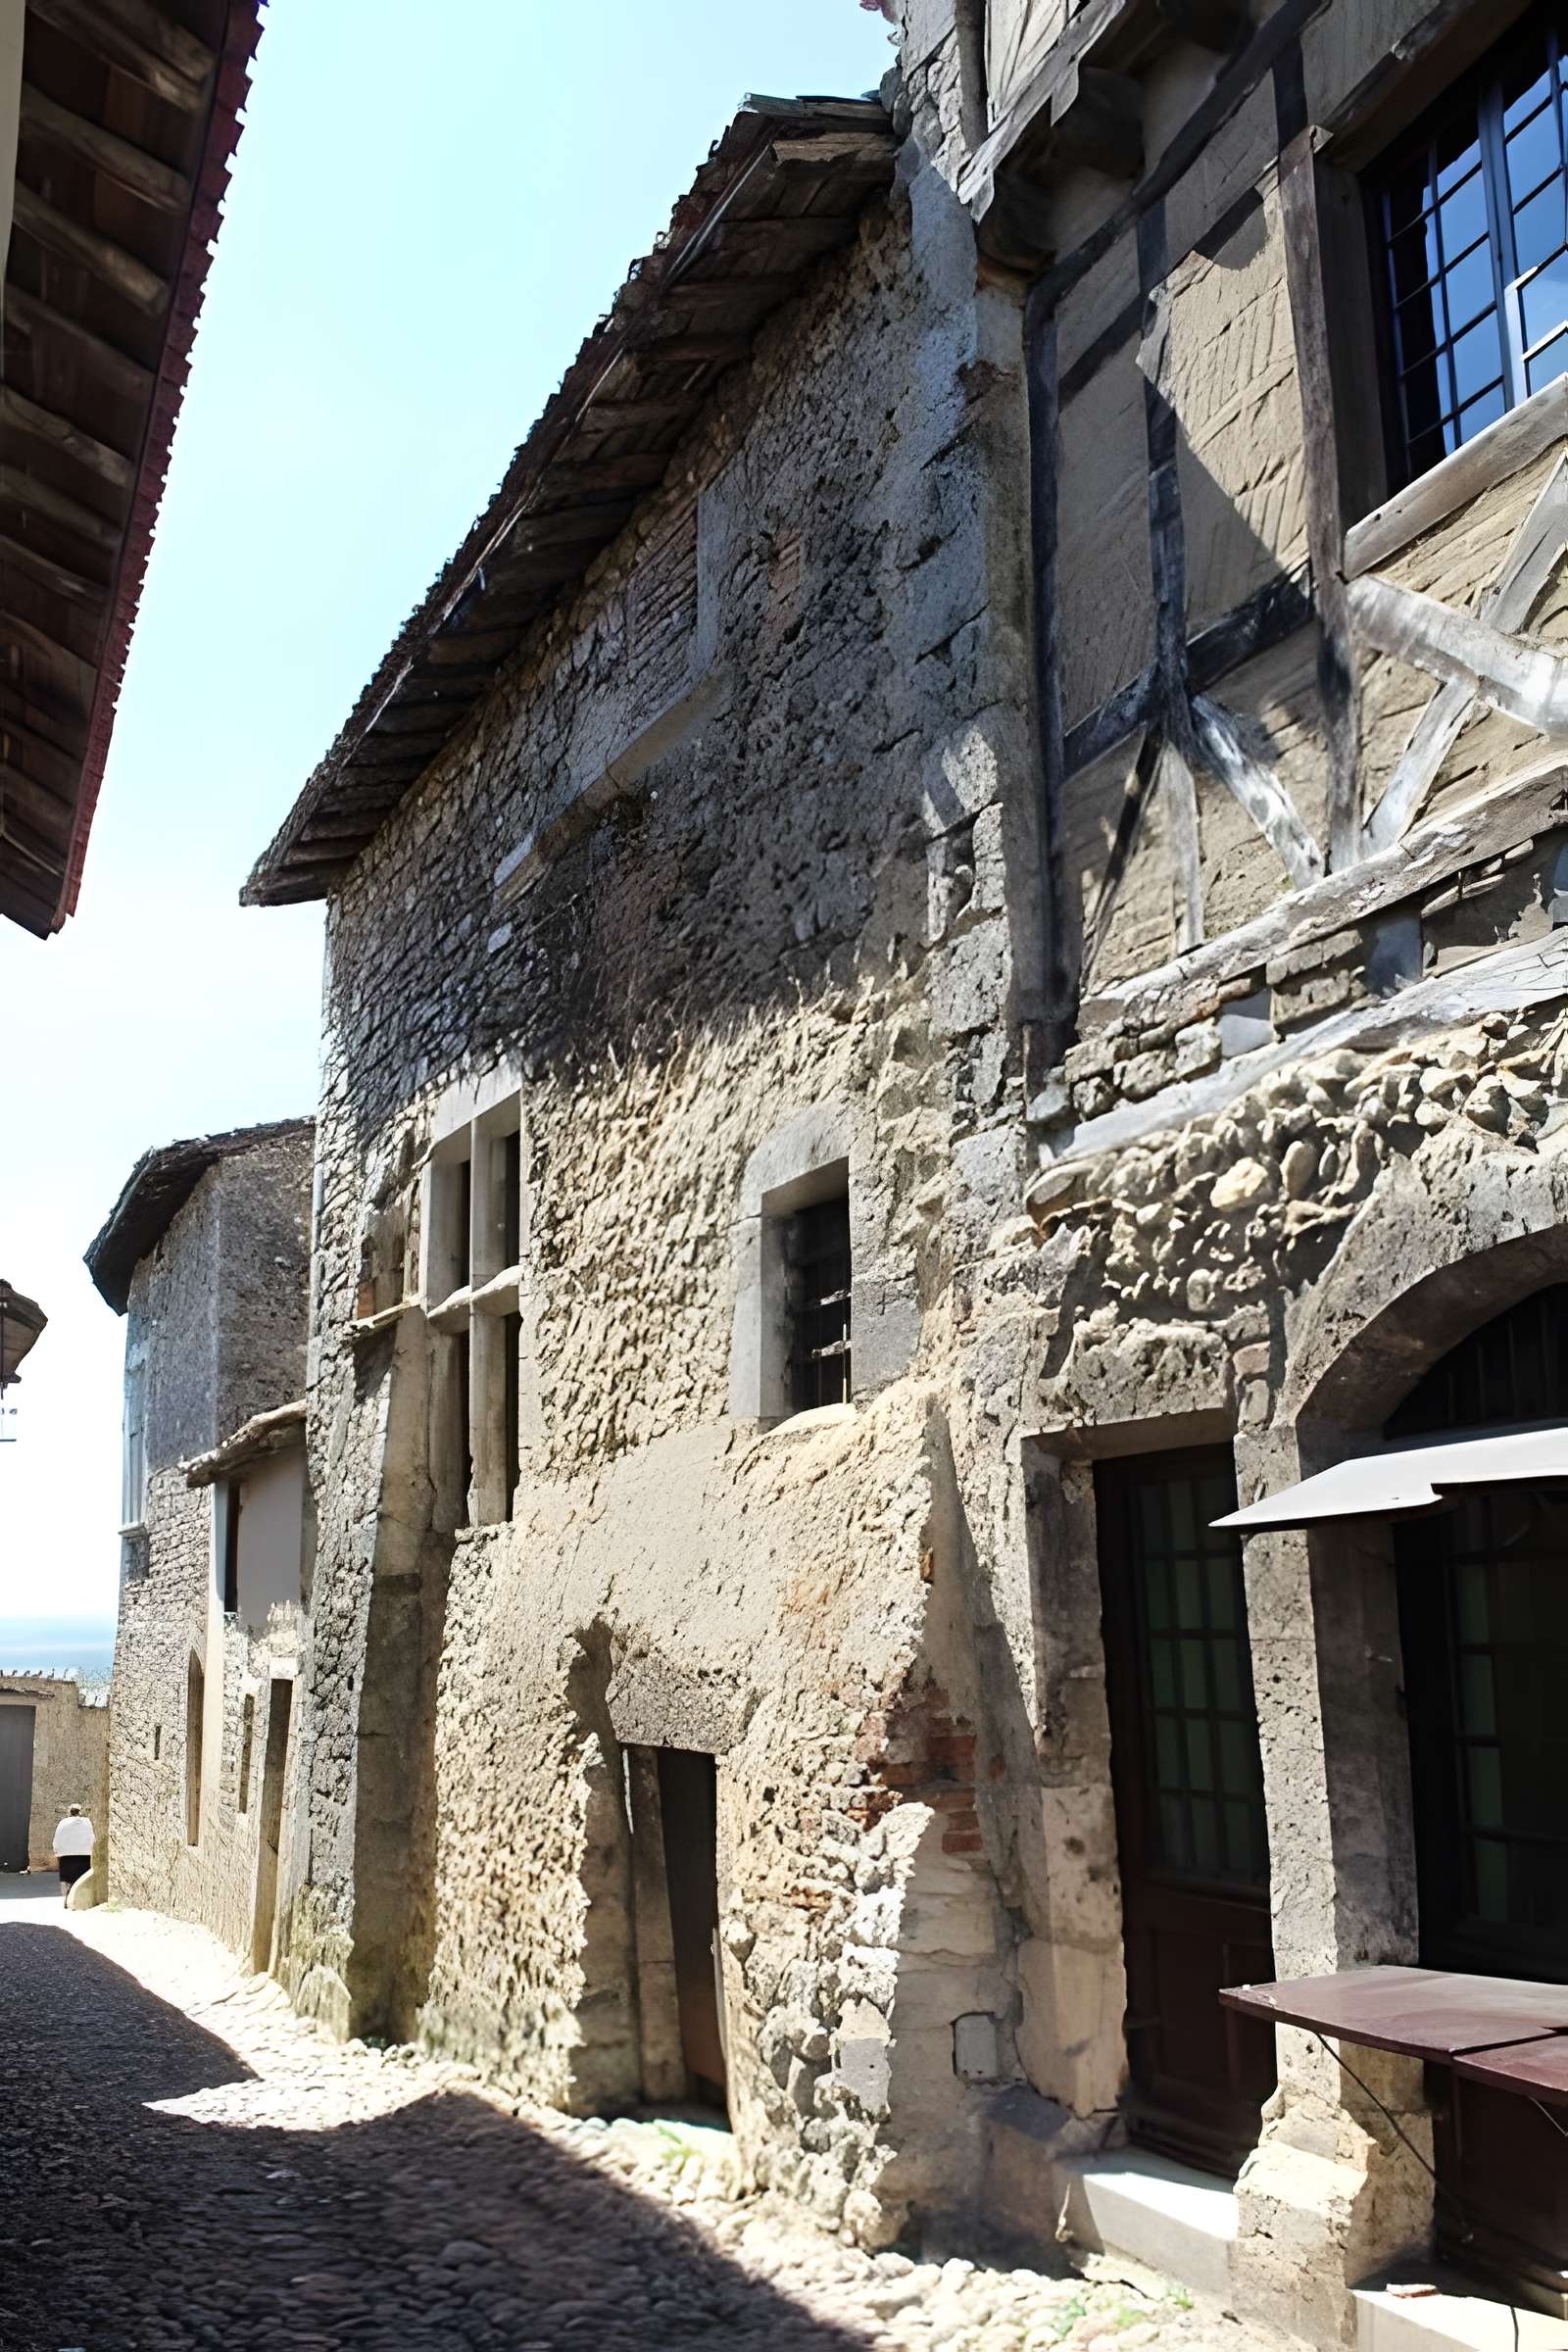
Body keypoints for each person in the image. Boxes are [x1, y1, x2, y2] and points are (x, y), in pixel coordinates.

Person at [52, 1804, 94, 1903]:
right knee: (82, 1877)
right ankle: (82, 1900)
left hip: (66, 1855)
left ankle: (67, 1898)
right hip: (84, 1854)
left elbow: (57, 1838)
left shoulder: (63, 1822)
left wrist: (57, 1852)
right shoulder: (87, 1822)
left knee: (68, 1879)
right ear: (81, 1812)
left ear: (69, 1812)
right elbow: (91, 1837)